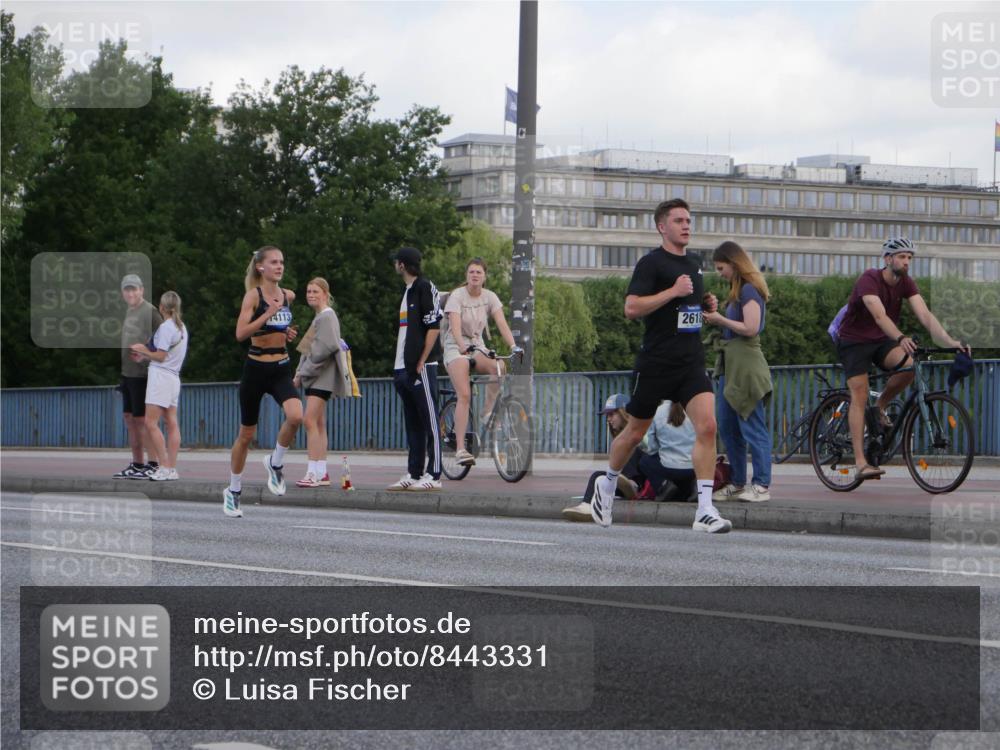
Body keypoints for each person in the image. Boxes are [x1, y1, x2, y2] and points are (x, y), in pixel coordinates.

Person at [591, 198, 732, 533]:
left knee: (708, 427)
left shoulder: (696, 263)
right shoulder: (651, 264)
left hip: (690, 363)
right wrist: (672, 291)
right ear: (662, 226)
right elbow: (632, 308)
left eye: (688, 220)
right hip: (656, 363)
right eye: (679, 220)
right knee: (635, 431)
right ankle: (607, 484)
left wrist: (704, 302)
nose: (686, 225)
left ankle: (705, 510)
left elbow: (689, 306)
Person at [836, 237, 970, 482]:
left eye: (909, 257)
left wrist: (950, 342)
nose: (907, 262)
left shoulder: (906, 283)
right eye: (901, 257)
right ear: (888, 259)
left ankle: (880, 407)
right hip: (854, 340)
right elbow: (878, 315)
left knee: (909, 367)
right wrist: (900, 337)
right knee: (859, 393)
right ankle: (860, 463)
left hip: (880, 339)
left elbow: (925, 315)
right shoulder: (870, 278)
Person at [223, 246, 301, 518]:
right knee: (246, 436)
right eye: (274, 262)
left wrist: (285, 331)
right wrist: (268, 315)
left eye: (282, 262)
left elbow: (278, 325)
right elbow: (240, 333)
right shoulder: (253, 297)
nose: (280, 266)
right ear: (261, 267)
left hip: (281, 366)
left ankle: (275, 463)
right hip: (255, 369)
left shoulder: (287, 296)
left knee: (296, 416)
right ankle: (233, 491)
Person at [704, 240, 773, 502]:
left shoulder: (749, 290)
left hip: (745, 367)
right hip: (731, 366)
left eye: (721, 267)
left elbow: (751, 327)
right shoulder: (737, 292)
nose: (719, 273)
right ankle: (737, 481)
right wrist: (715, 312)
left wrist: (720, 319)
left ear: (734, 264)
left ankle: (762, 484)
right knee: (728, 425)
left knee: (752, 425)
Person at [442, 258, 522, 466]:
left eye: (478, 272)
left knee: (499, 367)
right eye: (471, 272)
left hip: (477, 344)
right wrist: (460, 345)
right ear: (466, 276)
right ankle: (460, 448)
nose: (474, 275)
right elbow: (456, 327)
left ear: (484, 276)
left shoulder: (490, 297)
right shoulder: (457, 296)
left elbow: (501, 323)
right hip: (455, 346)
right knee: (465, 395)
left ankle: (487, 412)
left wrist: (514, 346)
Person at [388, 247, 443, 491]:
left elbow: (434, 326)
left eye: (397, 262)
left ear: (403, 265)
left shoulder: (424, 287)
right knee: (412, 423)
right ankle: (414, 471)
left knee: (430, 421)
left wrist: (422, 359)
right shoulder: (407, 291)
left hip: (422, 366)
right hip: (403, 367)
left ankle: (435, 474)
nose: (395, 266)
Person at [292, 278, 353, 488]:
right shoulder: (320, 317)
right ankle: (321, 472)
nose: (311, 294)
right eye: (308, 291)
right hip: (317, 377)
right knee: (318, 423)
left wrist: (302, 374)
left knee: (309, 420)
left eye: (315, 291)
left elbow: (320, 352)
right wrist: (300, 371)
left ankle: (312, 473)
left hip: (321, 377)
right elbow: (307, 348)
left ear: (325, 294)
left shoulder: (326, 317)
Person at [129, 292, 188, 481]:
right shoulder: (182, 328)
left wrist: (142, 350)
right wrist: (146, 354)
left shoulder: (166, 327)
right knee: (171, 422)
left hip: (161, 377)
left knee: (150, 423)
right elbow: (167, 355)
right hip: (173, 378)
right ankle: (171, 468)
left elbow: (161, 356)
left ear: (162, 307)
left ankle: (163, 466)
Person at [562, 394, 647, 522]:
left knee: (626, 451)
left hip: (642, 481)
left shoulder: (640, 435)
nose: (608, 419)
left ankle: (631, 485)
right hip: (623, 479)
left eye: (612, 414)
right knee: (599, 479)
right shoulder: (619, 440)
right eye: (607, 415)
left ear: (624, 413)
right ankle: (589, 504)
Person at [113, 275, 164, 480]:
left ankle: (152, 464)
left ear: (142, 290)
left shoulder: (149, 311)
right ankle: (137, 463)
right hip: (127, 373)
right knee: (130, 418)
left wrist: (147, 353)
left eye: (134, 290)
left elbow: (165, 338)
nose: (131, 293)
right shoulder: (129, 311)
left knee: (143, 420)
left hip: (143, 373)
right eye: (127, 290)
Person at [640, 401, 697, 502]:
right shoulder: (695, 409)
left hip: (669, 470)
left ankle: (664, 486)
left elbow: (652, 448)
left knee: (645, 461)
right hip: (693, 469)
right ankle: (696, 486)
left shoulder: (657, 412)